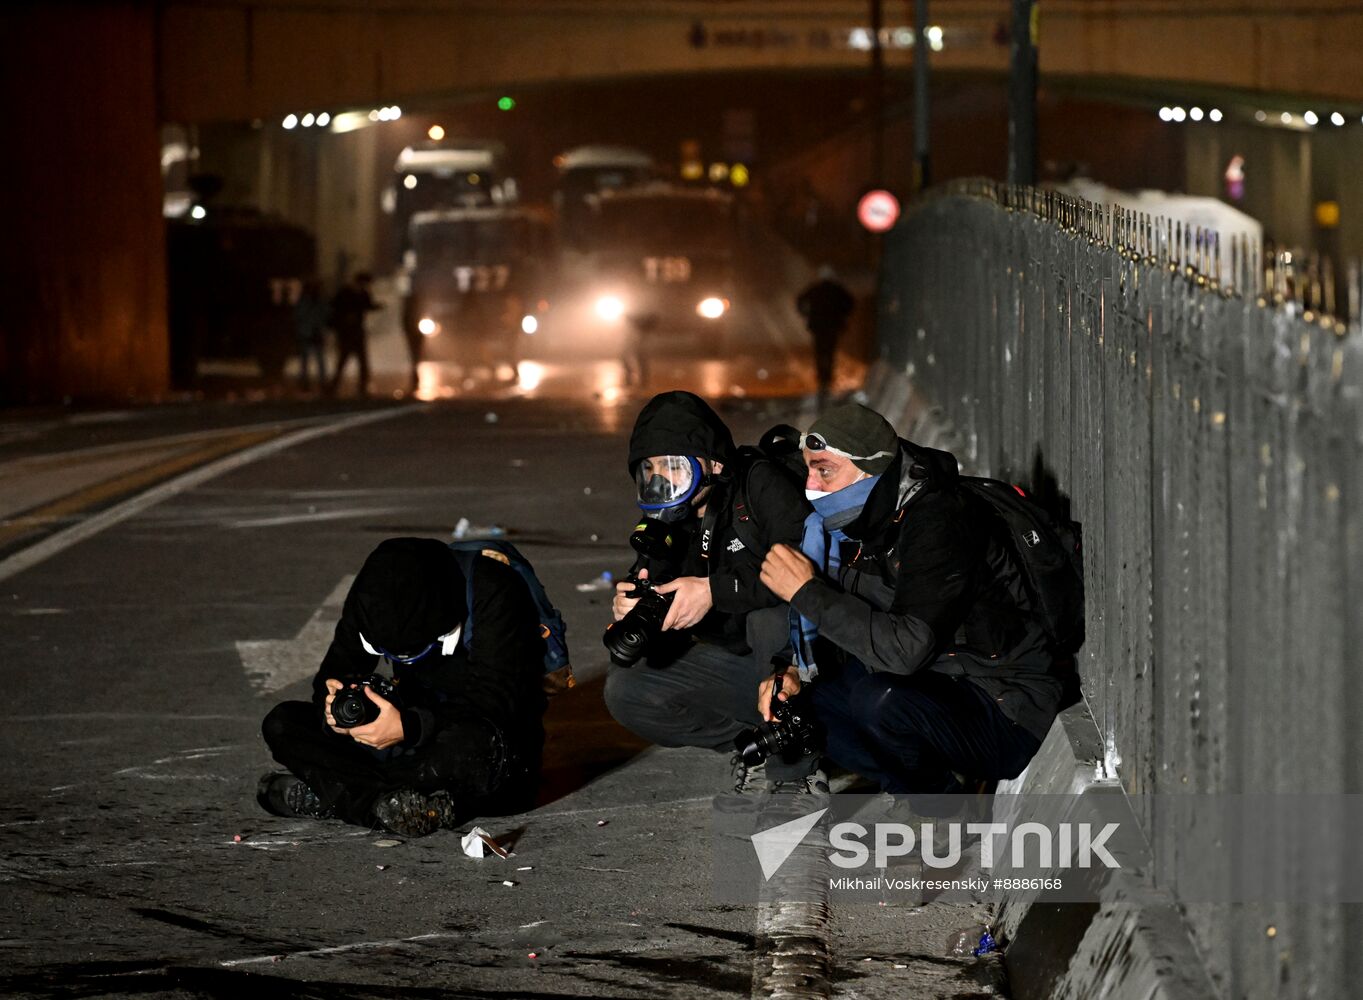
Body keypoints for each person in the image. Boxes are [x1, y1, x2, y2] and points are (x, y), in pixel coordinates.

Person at [757, 404, 1078, 812]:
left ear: (870, 471)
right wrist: (791, 669)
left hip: (1005, 704)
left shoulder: (939, 521)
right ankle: (917, 786)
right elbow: (855, 626)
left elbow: (905, 649)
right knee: (802, 708)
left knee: (879, 702)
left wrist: (807, 592)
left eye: (825, 471)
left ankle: (946, 813)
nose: (811, 486)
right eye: (809, 471)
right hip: (943, 680)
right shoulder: (857, 525)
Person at [257, 537, 547, 837]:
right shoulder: (372, 595)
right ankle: (393, 804)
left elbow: (496, 703)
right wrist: (333, 712)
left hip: (480, 745)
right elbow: (334, 673)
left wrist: (410, 726)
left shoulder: (494, 590)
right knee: (282, 723)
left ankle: (347, 796)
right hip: (405, 738)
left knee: (474, 746)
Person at [602, 391, 811, 792]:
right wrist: (638, 604)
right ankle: (761, 744)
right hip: (740, 667)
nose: (662, 480)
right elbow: (659, 589)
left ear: (713, 463)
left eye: (673, 466)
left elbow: (804, 566)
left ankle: (798, 766)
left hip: (799, 668)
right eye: (650, 469)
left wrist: (713, 591)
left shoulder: (761, 484)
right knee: (626, 689)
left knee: (766, 619)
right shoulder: (669, 519)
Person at [795, 267, 855, 408]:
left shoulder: (815, 289)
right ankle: (827, 377)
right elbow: (850, 303)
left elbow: (800, 300)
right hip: (832, 326)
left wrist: (806, 314)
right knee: (829, 351)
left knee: (820, 351)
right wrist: (842, 315)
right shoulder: (837, 290)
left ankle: (823, 378)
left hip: (818, 326)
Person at [327, 271, 381, 398]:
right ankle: (333, 387)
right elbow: (335, 307)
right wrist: (345, 317)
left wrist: (376, 307)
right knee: (343, 360)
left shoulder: (363, 293)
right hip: (346, 332)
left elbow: (367, 305)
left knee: (362, 361)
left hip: (357, 331)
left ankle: (362, 387)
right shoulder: (345, 293)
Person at [293, 278, 329, 391]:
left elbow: (326, 314)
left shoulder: (317, 301)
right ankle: (306, 382)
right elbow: (299, 316)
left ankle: (318, 382)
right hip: (308, 332)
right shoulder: (306, 301)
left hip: (313, 332)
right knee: (308, 360)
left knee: (316, 359)